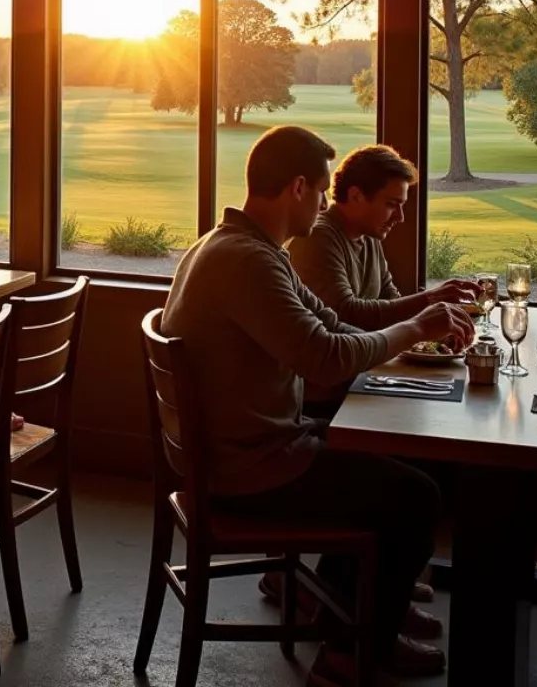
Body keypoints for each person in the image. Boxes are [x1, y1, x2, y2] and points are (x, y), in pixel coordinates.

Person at [160, 125, 474, 686]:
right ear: (298, 188)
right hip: (247, 470)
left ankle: (347, 617)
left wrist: (414, 319)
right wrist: (415, 328)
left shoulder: (239, 246)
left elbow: (329, 324)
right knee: (416, 497)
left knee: (398, 473)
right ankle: (346, 655)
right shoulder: (248, 261)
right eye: (326, 191)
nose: (328, 204)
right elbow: (326, 359)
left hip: (250, 450)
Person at [288, 144, 476, 329]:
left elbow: (390, 300)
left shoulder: (369, 233)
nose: (400, 217)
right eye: (391, 204)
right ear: (356, 196)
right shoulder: (318, 238)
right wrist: (430, 299)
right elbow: (345, 313)